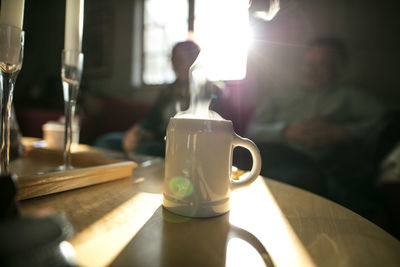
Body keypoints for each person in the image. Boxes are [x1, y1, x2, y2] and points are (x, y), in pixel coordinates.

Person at [244, 37, 383, 215]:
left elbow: (385, 120)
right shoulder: (279, 96)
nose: (312, 70)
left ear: (338, 68)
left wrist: (343, 132)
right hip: (263, 155)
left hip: (307, 165)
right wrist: (285, 131)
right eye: (309, 63)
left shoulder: (347, 96)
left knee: (294, 183)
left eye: (322, 64)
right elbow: (252, 130)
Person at [94, 41, 200, 157]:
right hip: (154, 138)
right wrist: (137, 131)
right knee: (105, 141)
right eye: (173, 59)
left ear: (195, 60)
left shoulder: (206, 92)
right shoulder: (167, 92)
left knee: (144, 150)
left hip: (177, 143)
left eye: (180, 59)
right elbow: (151, 120)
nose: (175, 64)